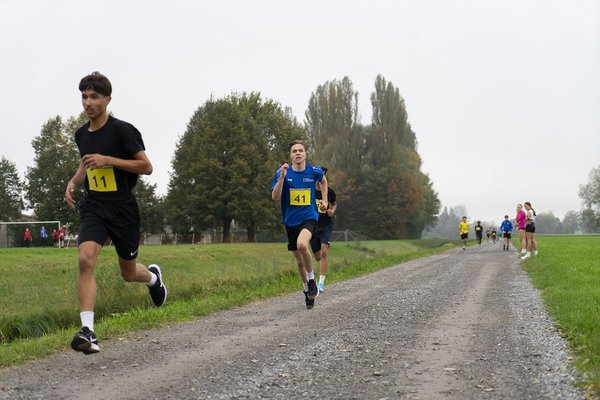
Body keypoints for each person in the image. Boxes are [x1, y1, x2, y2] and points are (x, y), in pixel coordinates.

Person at [65, 72, 167, 354]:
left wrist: (108, 160)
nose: (88, 102)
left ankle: (153, 278)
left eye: (94, 97)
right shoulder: (81, 134)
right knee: (85, 260)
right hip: (95, 206)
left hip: (123, 209)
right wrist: (74, 182)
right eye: (84, 97)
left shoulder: (123, 131)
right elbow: (86, 163)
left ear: (107, 99)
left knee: (128, 273)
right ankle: (88, 332)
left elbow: (146, 167)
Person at [272, 140, 327, 309]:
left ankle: (311, 280)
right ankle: (306, 290)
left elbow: (323, 181)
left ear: (305, 154)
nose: (297, 153)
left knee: (302, 244)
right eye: (294, 151)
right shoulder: (282, 172)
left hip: (309, 217)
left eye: (300, 151)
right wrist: (282, 177)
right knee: (300, 261)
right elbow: (275, 197)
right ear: (290, 155)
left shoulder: (314, 171)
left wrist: (324, 200)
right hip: (290, 221)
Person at [309, 167, 337, 293]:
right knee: (318, 256)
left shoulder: (330, 192)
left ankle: (321, 283)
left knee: (324, 252)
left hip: (326, 225)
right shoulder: (310, 191)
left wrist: (332, 210)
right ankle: (314, 278)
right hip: (312, 226)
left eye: (322, 176)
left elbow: (334, 203)